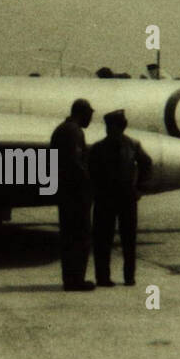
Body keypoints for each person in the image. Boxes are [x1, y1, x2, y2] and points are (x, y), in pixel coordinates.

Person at [89, 109, 152, 287]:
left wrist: (140, 188)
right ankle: (102, 277)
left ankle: (129, 277)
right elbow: (90, 170)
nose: (109, 130)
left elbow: (146, 163)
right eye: (108, 127)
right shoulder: (98, 148)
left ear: (121, 127)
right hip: (105, 198)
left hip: (127, 198)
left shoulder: (133, 145)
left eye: (113, 127)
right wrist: (95, 190)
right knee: (102, 240)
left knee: (129, 240)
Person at [49, 98, 96, 291]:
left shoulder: (62, 129)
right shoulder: (73, 132)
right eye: (89, 114)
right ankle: (76, 280)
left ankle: (70, 279)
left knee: (68, 237)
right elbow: (76, 163)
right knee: (80, 236)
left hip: (65, 192)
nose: (91, 118)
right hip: (76, 194)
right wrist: (90, 185)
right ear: (82, 113)